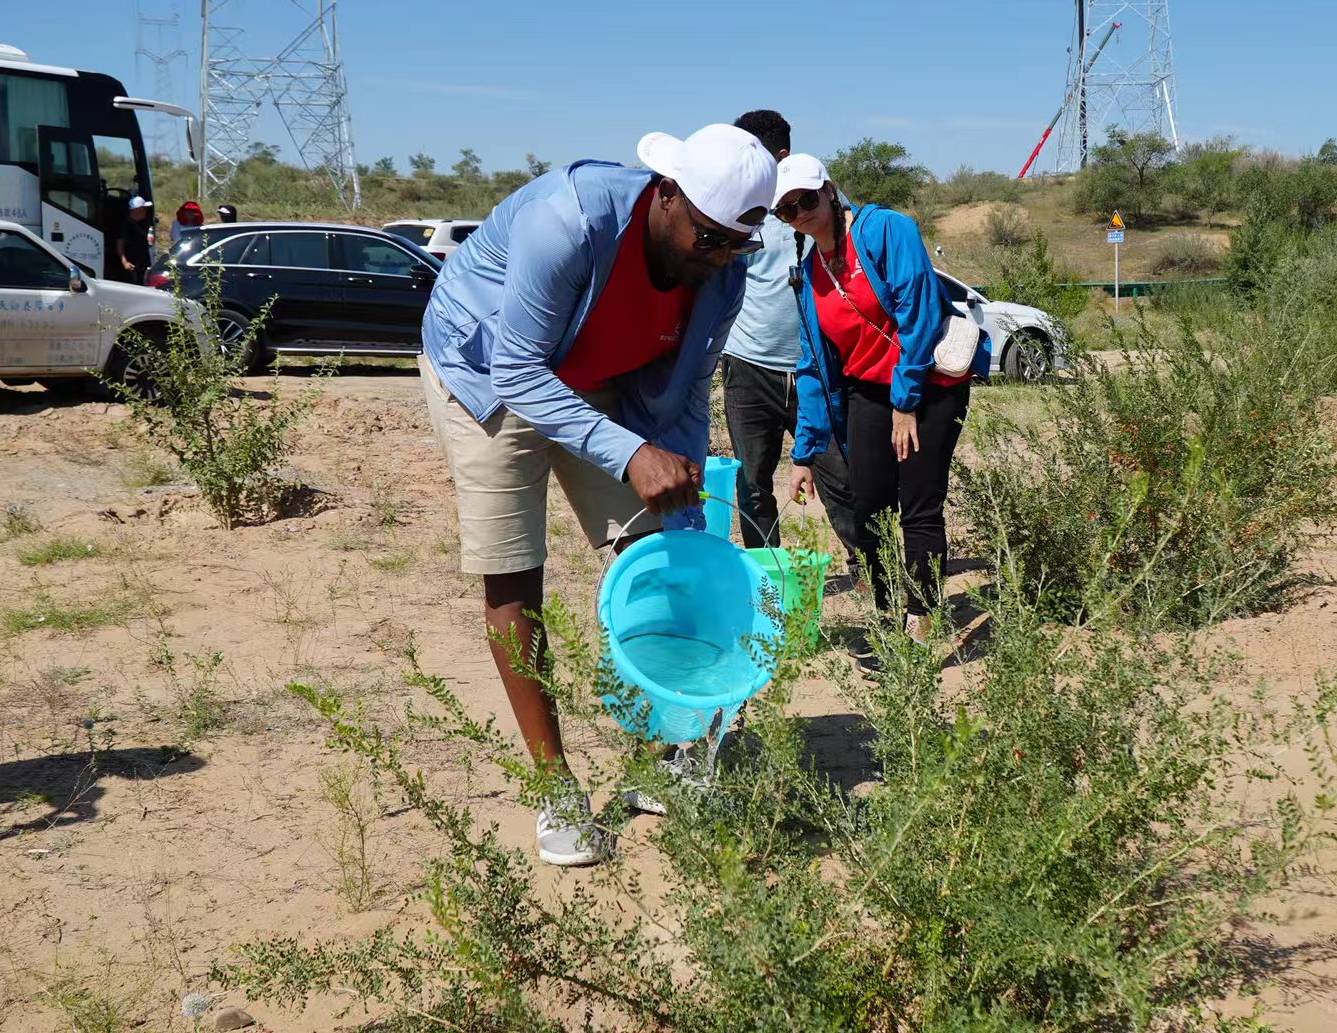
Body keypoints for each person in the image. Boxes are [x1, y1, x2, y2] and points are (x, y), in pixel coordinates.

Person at [419, 123, 775, 867]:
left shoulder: (723, 270)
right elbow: (519, 369)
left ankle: (659, 756)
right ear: (666, 194)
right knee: (515, 567)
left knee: (655, 547)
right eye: (707, 239)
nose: (715, 259)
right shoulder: (570, 221)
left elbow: (686, 383)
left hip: (596, 380)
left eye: (734, 246)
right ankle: (555, 791)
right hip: (487, 370)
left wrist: (677, 476)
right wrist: (629, 451)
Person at [782, 155, 985, 644]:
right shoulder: (811, 271)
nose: (799, 213)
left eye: (805, 200)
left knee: (918, 503)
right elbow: (815, 364)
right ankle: (887, 614)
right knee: (866, 506)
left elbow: (918, 314)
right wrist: (805, 452)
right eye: (785, 210)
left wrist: (905, 401)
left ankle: (923, 616)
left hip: (928, 389)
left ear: (829, 191)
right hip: (867, 393)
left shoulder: (888, 230)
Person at [720, 110, 856, 561]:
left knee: (841, 476)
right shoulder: (736, 211)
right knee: (752, 483)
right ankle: (768, 583)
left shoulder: (819, 201)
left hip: (816, 369)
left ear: (781, 157)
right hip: (749, 368)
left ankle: (873, 573)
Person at [117, 195, 153, 285]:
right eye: (144, 208)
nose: (146, 210)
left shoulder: (143, 223)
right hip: (132, 265)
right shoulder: (125, 225)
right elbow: (120, 243)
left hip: (143, 264)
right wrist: (124, 261)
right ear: (137, 209)